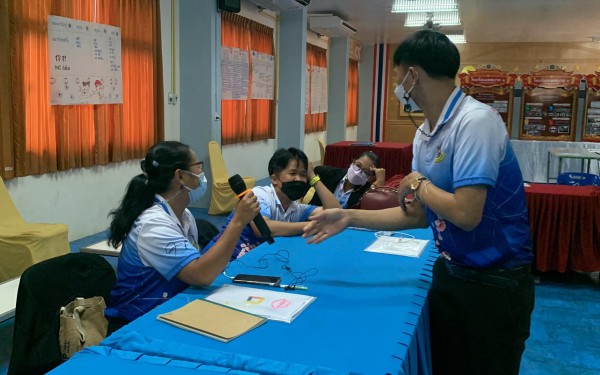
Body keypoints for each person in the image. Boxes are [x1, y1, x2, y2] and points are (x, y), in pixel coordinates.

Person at [303, 30, 534, 375]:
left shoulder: (475, 122)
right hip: (450, 274)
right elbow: (415, 216)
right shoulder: (425, 132)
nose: (396, 85)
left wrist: (419, 182)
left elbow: (466, 214)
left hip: (494, 286)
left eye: (396, 76)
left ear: (412, 74)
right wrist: (349, 217)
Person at [104, 141, 260, 332]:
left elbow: (199, 267)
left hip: (170, 307)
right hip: (138, 322)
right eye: (198, 168)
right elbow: (201, 274)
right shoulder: (153, 225)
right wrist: (238, 221)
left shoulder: (183, 215)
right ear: (181, 176)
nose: (202, 175)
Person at [204, 147, 341, 260]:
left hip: (251, 260)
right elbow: (263, 228)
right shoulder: (259, 194)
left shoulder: (296, 208)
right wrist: (310, 225)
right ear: (274, 178)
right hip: (220, 258)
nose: (298, 179)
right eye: (292, 173)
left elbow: (337, 213)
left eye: (303, 175)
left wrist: (314, 178)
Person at [309, 151, 386, 208]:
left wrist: (380, 181)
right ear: (352, 162)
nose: (358, 172)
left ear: (370, 178)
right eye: (358, 165)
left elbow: (373, 209)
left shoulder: (366, 191)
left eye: (365, 172)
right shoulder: (328, 174)